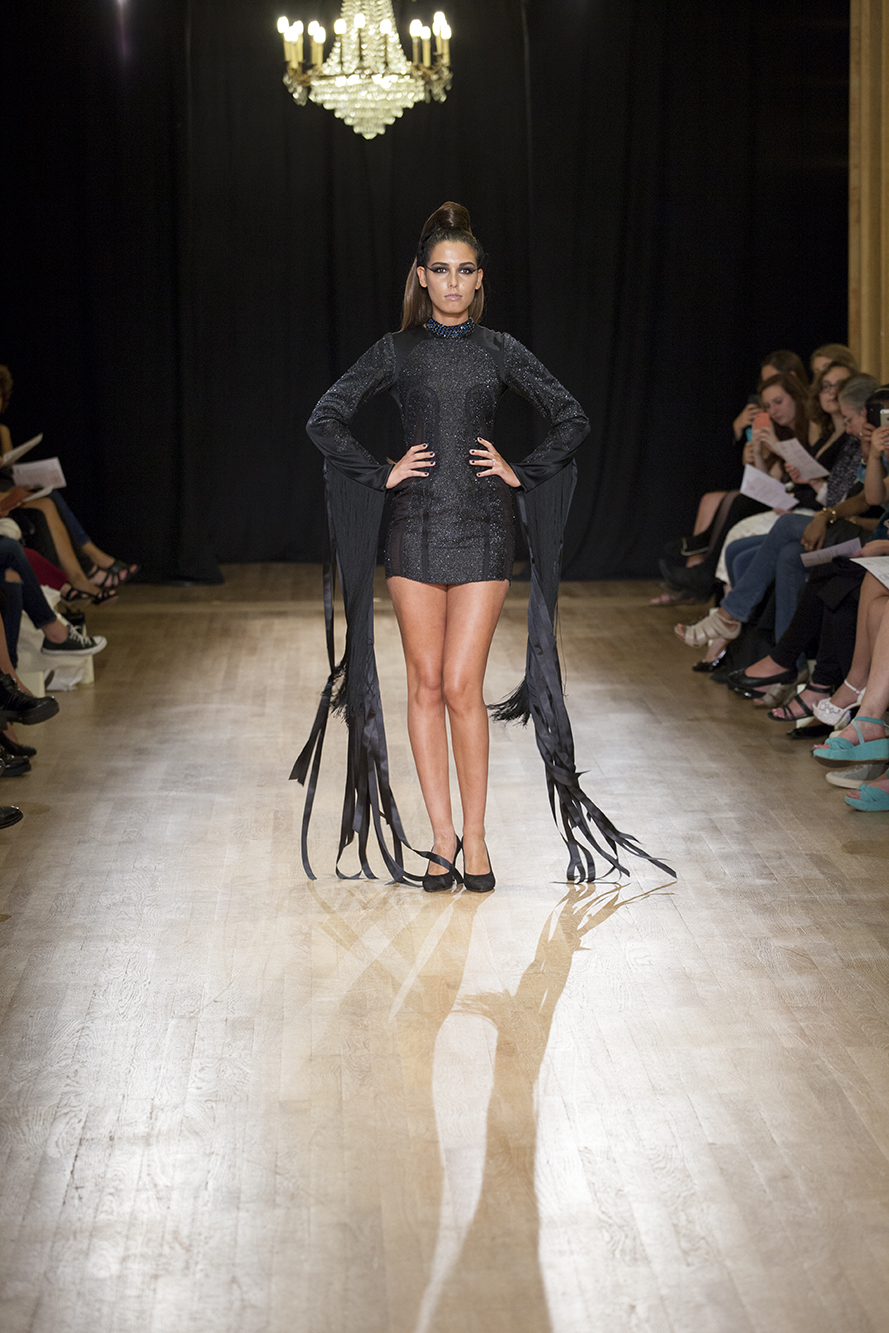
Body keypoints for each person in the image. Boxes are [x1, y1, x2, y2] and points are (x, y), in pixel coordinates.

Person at [293, 201, 671, 891]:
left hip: (484, 529)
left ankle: (476, 837)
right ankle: (440, 838)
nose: (452, 282)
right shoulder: (397, 350)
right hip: (413, 526)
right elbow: (325, 417)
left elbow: (571, 416)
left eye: (464, 270)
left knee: (462, 684)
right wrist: (380, 472)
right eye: (440, 270)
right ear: (421, 275)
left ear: (479, 278)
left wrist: (521, 470)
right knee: (425, 682)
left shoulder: (498, 349)